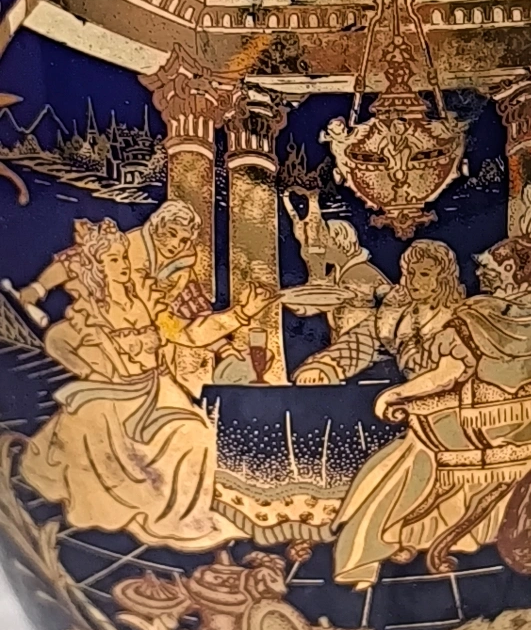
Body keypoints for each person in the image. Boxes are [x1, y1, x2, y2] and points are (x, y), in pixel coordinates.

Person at [332, 235, 531, 589]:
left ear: (509, 269)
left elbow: (447, 374)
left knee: (409, 455)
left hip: (483, 426)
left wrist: (395, 395)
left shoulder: (482, 315)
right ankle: (393, 534)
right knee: (401, 452)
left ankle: (363, 553)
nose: (480, 274)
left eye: (488, 268)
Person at [20, 218, 273, 549]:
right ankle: (133, 510)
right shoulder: (91, 311)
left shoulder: (147, 301)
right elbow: (58, 339)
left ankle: (181, 518)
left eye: (124, 258)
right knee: (98, 429)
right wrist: (94, 368)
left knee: (196, 431)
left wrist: (239, 314)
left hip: (155, 390)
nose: (123, 265)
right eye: (114, 259)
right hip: (113, 395)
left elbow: (188, 333)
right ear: (97, 266)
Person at [17, 200, 229, 396]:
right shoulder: (126, 246)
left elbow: (193, 309)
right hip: (105, 324)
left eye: (183, 240)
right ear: (156, 226)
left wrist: (222, 346)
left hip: (150, 341)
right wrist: (38, 288)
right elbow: (75, 261)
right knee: (59, 340)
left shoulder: (182, 269)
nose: (175, 244)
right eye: (171, 233)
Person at [289, 219, 391, 385]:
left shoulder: (363, 274)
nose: (321, 245)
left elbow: (395, 307)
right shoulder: (335, 275)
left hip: (370, 358)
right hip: (344, 354)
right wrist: (312, 262)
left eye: (325, 240)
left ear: (340, 242)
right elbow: (309, 305)